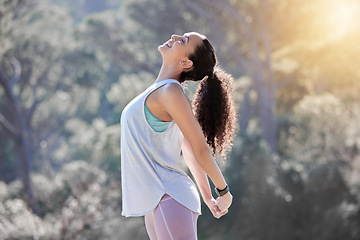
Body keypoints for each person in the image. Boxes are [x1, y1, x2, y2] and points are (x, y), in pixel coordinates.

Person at [120, 32, 236, 240]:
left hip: (169, 197)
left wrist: (223, 192)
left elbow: (200, 148)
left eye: (183, 40)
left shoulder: (171, 92)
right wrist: (207, 197)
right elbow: (189, 149)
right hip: (156, 200)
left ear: (185, 62)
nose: (174, 36)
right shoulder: (162, 91)